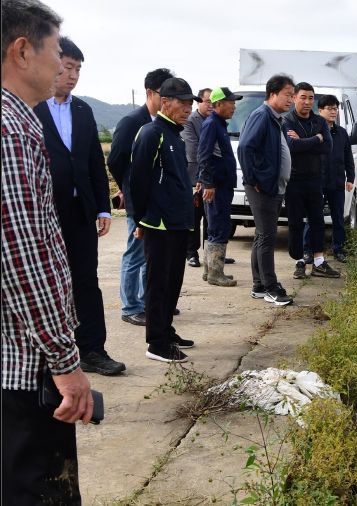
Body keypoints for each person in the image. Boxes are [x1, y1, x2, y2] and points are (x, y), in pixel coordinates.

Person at [2, 1, 93, 503]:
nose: (62, 66)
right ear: (22, 51)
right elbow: (23, 259)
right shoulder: (11, 131)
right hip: (24, 362)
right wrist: (64, 361)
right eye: (57, 52)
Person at [33, 36, 125, 376]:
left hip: (80, 212)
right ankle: (48, 354)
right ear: (53, 66)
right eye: (67, 67)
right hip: (43, 214)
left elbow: (92, 163)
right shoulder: (30, 108)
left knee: (86, 280)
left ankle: (92, 349)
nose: (72, 75)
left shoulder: (83, 110)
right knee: (46, 283)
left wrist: (102, 208)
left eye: (77, 69)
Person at [129, 77, 200, 363]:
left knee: (173, 282)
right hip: (158, 223)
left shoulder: (175, 135)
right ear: (165, 102)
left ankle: (166, 330)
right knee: (158, 283)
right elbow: (138, 181)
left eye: (189, 103)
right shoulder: (151, 133)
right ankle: (156, 343)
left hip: (178, 222)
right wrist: (140, 220)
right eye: (182, 103)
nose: (187, 108)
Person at [107, 67, 175, 327]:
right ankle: (130, 306)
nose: (168, 100)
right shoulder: (132, 121)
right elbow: (115, 159)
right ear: (150, 93)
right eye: (164, 95)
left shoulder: (162, 123)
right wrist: (128, 186)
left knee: (153, 253)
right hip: (139, 198)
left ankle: (150, 302)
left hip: (157, 199)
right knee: (135, 252)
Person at [237, 74, 295, 306]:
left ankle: (259, 285)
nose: (290, 100)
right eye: (287, 95)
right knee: (268, 237)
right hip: (263, 188)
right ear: (273, 94)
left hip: (271, 186)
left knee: (262, 236)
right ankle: (271, 288)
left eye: (292, 95)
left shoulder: (275, 118)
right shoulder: (262, 116)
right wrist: (255, 180)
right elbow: (244, 147)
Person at [283, 82, 339, 279]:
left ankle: (319, 262)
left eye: (310, 98)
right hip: (294, 180)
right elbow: (291, 146)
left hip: (315, 180)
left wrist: (303, 141)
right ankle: (298, 262)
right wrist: (316, 139)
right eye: (303, 97)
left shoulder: (320, 122)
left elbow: (327, 147)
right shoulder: (287, 120)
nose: (307, 102)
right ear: (294, 98)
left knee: (317, 221)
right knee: (295, 223)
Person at [198, 86, 242, 287]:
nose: (234, 106)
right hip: (216, 186)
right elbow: (204, 155)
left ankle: (210, 271)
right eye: (230, 102)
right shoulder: (211, 124)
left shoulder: (220, 124)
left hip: (222, 185)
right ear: (218, 104)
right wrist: (208, 183)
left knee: (217, 225)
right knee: (218, 226)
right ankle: (216, 273)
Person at [303, 94, 354, 263]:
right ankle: (308, 250)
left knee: (338, 218)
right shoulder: (313, 130)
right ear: (320, 110)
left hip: (337, 182)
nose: (334, 112)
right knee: (313, 218)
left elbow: (348, 157)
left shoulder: (342, 133)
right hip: (316, 183)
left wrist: (350, 178)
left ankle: (338, 249)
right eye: (330, 108)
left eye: (335, 108)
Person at [181, 87, 212, 269]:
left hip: (211, 177)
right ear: (199, 102)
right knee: (194, 218)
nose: (210, 105)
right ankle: (191, 253)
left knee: (211, 219)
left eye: (212, 102)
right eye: (207, 101)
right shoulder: (190, 121)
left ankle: (211, 253)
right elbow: (194, 151)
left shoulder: (214, 120)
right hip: (194, 177)